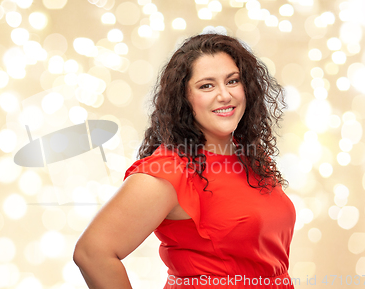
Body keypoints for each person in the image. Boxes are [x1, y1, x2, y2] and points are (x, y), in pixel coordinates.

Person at [73, 32, 296, 288]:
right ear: (185, 98)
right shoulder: (169, 169)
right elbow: (92, 253)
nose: (225, 95)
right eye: (206, 86)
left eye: (232, 81)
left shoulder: (251, 158)